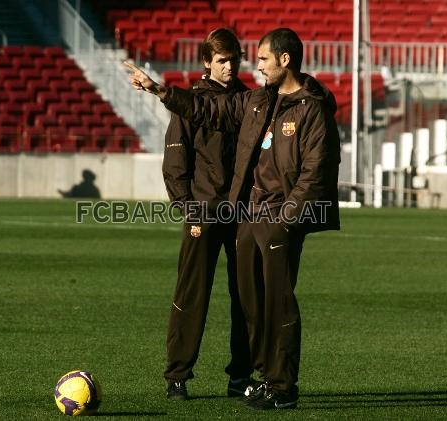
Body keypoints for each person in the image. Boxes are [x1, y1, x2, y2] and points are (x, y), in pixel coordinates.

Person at [125, 27, 341, 410]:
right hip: (226, 216)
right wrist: (161, 91)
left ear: (283, 60)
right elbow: (195, 129)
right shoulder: (249, 101)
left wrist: (286, 218)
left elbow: (313, 170)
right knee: (222, 301)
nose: (245, 66)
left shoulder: (286, 104)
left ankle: (264, 381)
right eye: (229, 59)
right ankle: (206, 376)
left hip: (264, 219)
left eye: (255, 58)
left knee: (264, 302)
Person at [161, 28, 252, 401]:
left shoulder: (251, 101)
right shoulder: (190, 102)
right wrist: (187, 208)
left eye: (234, 60)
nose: (229, 67)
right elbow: (175, 160)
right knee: (192, 295)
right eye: (222, 61)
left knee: (247, 296)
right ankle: (177, 376)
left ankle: (241, 376)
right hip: (203, 212)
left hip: (244, 214)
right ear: (206, 62)